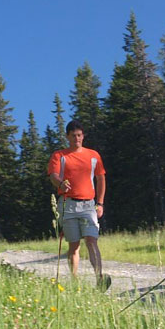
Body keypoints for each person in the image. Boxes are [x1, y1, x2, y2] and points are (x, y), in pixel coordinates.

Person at [48, 120, 109, 288]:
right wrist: (60, 183)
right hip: (67, 204)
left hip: (89, 205)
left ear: (83, 136)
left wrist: (101, 203)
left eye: (79, 135)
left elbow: (101, 178)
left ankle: (100, 278)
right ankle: (75, 281)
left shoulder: (93, 155)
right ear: (67, 136)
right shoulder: (59, 156)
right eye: (73, 135)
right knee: (74, 245)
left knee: (91, 240)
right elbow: (53, 175)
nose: (77, 138)